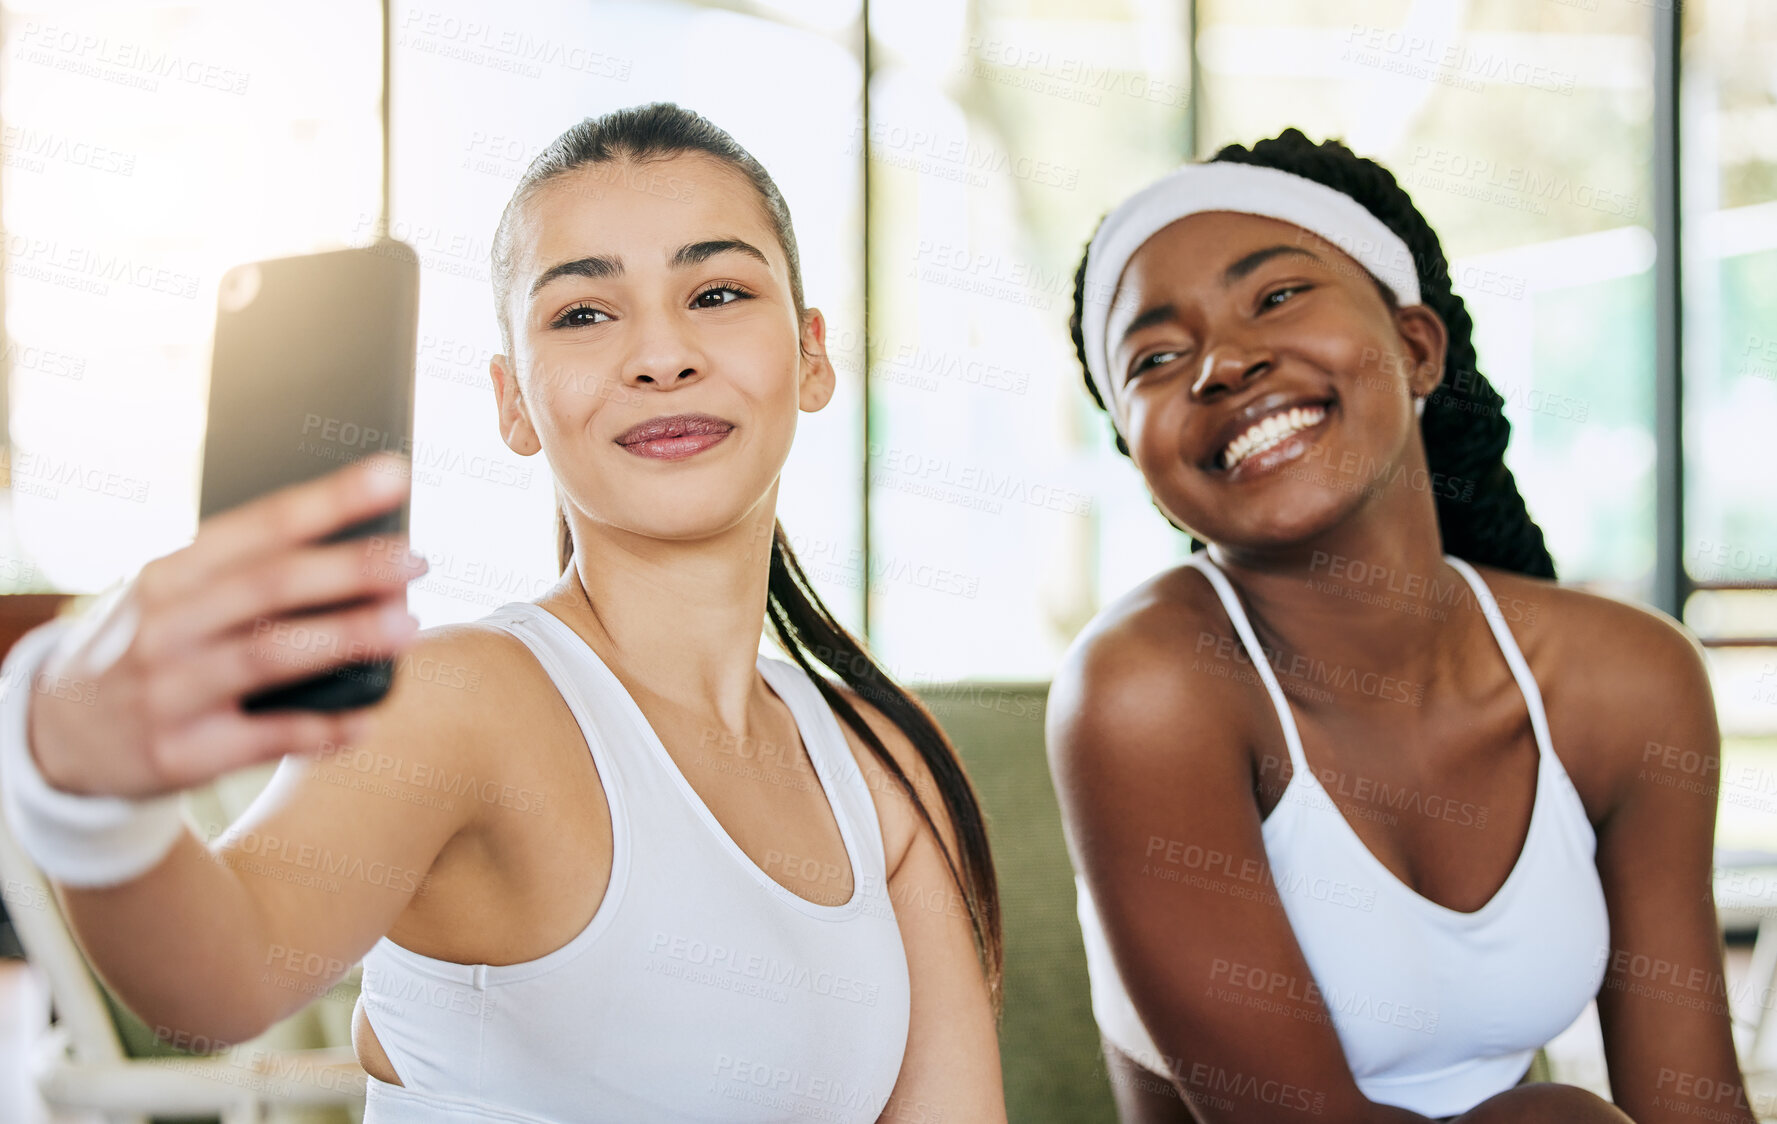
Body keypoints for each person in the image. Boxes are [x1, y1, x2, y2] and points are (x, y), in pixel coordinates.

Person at [0, 102, 1007, 1123]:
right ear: (512, 401)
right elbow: (219, 978)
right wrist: (85, 792)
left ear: (812, 354)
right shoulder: (463, 700)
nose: (661, 354)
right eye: (582, 313)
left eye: (716, 291)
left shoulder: (882, 764)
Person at [1047, 129, 1754, 1124]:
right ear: (1140, 456)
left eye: (1278, 295)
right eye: (1156, 356)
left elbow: (1691, 1101)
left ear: (1416, 346)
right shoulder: (1146, 690)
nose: (1224, 360)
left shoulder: (1626, 679)